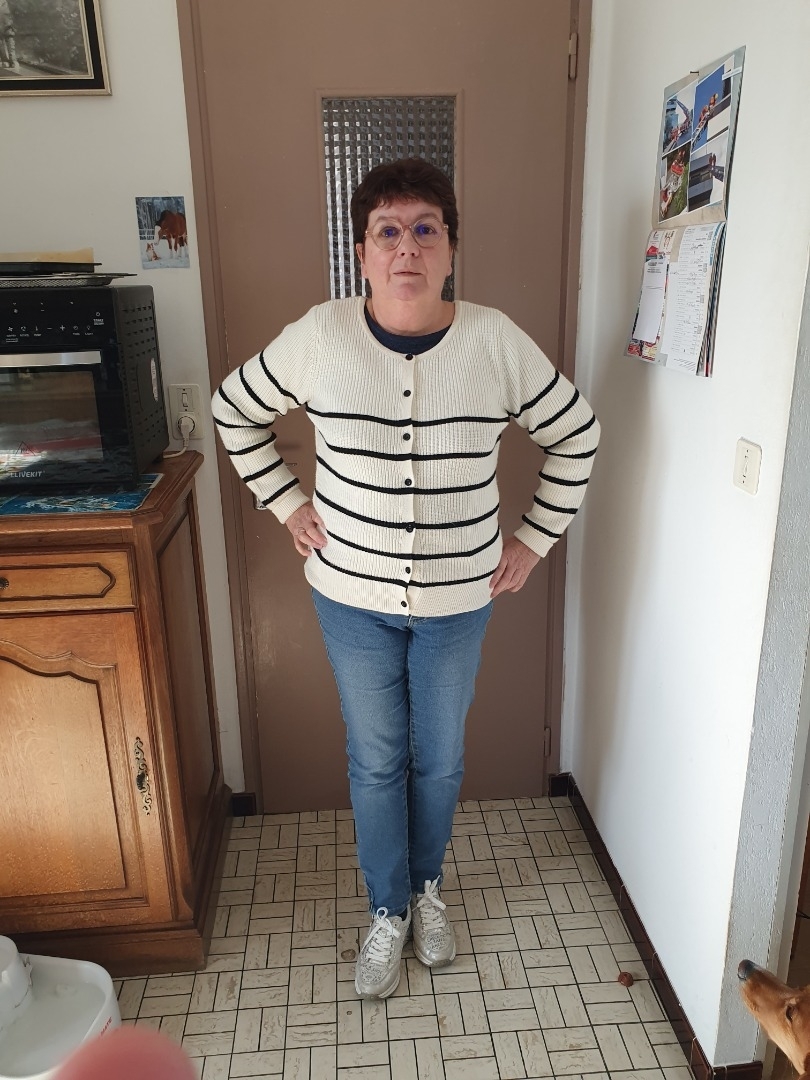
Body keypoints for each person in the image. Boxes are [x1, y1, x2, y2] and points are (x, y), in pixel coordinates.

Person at [212, 157, 600, 1000]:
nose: (406, 249)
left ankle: (428, 890)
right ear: (362, 253)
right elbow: (233, 410)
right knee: (377, 758)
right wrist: (286, 503)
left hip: (460, 601)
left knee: (442, 758)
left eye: (426, 230)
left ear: (451, 248)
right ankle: (387, 908)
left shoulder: (494, 341)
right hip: (350, 598)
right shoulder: (320, 336)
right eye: (387, 232)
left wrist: (534, 539)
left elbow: (578, 433)